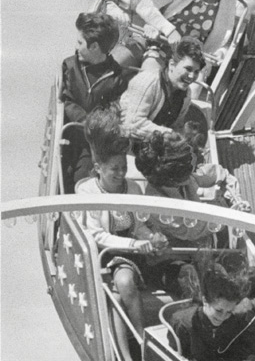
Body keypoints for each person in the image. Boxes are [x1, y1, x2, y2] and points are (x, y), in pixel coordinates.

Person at [75, 105, 169, 361]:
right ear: (98, 168)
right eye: (114, 169)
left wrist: (150, 239)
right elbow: (96, 235)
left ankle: (135, 348)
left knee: (120, 290)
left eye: (123, 168)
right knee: (123, 284)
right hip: (105, 254)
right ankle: (139, 340)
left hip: (131, 253)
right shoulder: (87, 192)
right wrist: (133, 244)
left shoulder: (133, 189)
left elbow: (139, 225)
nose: (120, 174)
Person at [61, 12, 133, 193]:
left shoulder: (117, 78)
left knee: (82, 180)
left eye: (80, 43)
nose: (76, 47)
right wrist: (86, 121)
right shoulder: (69, 66)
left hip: (93, 143)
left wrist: (93, 127)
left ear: (94, 46)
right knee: (62, 178)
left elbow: (113, 111)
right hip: (70, 138)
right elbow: (67, 101)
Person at [134, 130, 241, 248]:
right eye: (187, 171)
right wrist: (233, 212)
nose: (192, 171)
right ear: (172, 179)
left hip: (209, 221)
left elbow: (215, 174)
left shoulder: (178, 175)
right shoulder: (160, 208)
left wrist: (235, 196)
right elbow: (195, 230)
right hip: (188, 244)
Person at [120, 37, 205, 140]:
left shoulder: (186, 94)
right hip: (121, 138)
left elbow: (175, 126)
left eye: (196, 72)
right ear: (172, 65)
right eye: (188, 69)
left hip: (149, 141)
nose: (192, 76)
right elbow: (131, 125)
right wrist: (168, 134)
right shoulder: (148, 82)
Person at [168, 262, 251, 361]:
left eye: (229, 312)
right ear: (205, 301)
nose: (222, 317)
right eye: (218, 310)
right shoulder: (183, 324)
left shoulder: (234, 322)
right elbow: (174, 357)